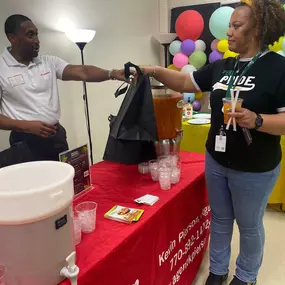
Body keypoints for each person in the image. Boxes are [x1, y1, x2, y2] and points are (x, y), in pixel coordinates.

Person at [141, 0, 285, 284]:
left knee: (249, 225)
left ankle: (246, 276)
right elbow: (185, 83)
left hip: (255, 166)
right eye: (229, 25)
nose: (228, 33)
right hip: (217, 159)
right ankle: (217, 271)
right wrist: (152, 70)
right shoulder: (223, 66)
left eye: (236, 26)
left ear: (257, 29)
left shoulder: (278, 68)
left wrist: (256, 120)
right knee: (219, 219)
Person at [0, 14, 126, 162]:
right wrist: (27, 126)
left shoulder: (48, 62)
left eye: (36, 34)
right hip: (24, 142)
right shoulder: (2, 69)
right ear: (12, 38)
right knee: (38, 184)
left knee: (66, 181)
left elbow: (83, 71)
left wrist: (112, 73)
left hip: (55, 137)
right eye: (30, 35)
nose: (37, 41)